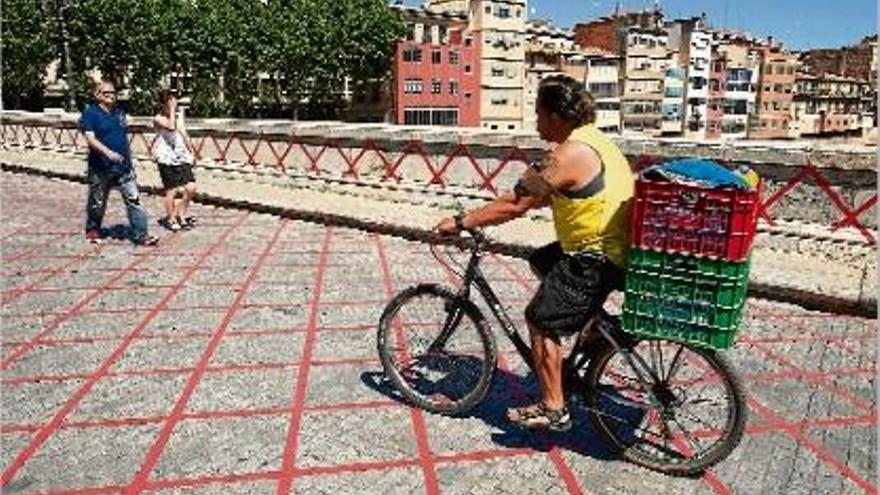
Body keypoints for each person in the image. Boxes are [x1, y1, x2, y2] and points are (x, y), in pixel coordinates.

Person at [435, 75, 634, 431]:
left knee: (540, 318)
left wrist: (463, 220)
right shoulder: (597, 142)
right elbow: (544, 194)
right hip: (616, 248)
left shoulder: (567, 154)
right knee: (541, 260)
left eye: (539, 113)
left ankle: (553, 407)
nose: (536, 121)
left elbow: (516, 202)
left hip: (595, 257)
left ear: (557, 115)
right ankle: (594, 326)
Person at [80, 80, 159, 246]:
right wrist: (107, 152)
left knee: (134, 199)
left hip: (123, 166)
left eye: (112, 93)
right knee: (97, 201)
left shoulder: (119, 113)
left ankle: (141, 235)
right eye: (105, 93)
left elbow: (123, 137)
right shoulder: (90, 114)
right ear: (97, 95)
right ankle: (93, 229)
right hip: (100, 166)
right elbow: (90, 138)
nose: (110, 96)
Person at [152, 89, 197, 231]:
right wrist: (171, 110)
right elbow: (171, 127)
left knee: (190, 187)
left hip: (181, 156)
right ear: (163, 104)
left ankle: (181, 214)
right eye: (171, 102)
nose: (174, 104)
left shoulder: (178, 116)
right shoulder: (158, 118)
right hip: (166, 158)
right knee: (171, 190)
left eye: (174, 101)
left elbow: (183, 133)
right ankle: (171, 219)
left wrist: (192, 151)